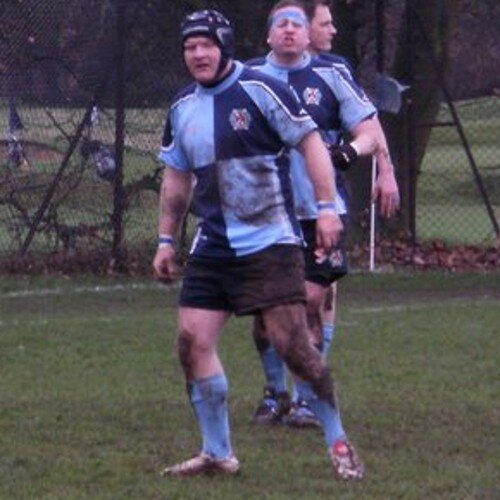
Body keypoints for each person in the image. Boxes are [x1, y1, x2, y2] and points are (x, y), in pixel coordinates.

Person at [154, 9, 364, 481]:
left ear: (224, 46)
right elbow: (176, 177)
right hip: (213, 245)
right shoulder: (182, 106)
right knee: (192, 343)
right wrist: (166, 239)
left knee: (293, 346)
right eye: (190, 47)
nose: (198, 54)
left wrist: (327, 207)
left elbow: (311, 143)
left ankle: (338, 441)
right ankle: (217, 453)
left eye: (206, 44)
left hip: (269, 241)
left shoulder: (261, 89)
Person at [246, 0, 400, 428]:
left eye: (298, 22)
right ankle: (275, 393)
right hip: (269, 213)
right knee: (265, 310)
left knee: (310, 300)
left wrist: (371, 161)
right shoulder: (250, 77)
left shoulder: (331, 75)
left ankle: (305, 397)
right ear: (269, 34)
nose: (291, 30)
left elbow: (369, 128)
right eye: (283, 24)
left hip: (321, 212)